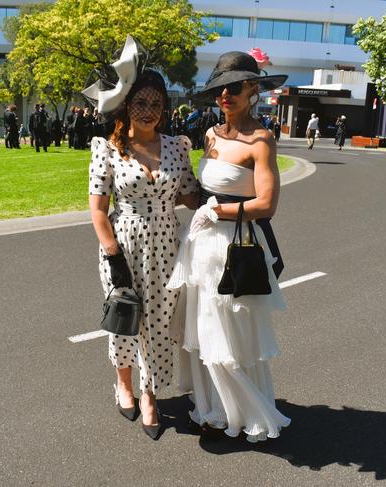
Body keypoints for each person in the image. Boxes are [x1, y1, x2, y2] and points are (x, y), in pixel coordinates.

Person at [167, 51, 291, 442]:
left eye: (235, 87)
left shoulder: (261, 140)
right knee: (203, 330)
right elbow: (202, 188)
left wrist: (217, 211)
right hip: (200, 246)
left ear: (253, 90)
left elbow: (266, 204)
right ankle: (210, 408)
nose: (226, 95)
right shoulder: (211, 134)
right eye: (221, 88)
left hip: (234, 247)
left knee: (229, 334)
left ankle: (236, 411)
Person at [84, 35, 199, 440]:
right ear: (126, 104)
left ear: (165, 108)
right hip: (123, 245)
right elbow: (98, 210)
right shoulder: (108, 148)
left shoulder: (177, 147)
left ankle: (151, 393)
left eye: (156, 103)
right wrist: (113, 254)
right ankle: (125, 385)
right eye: (141, 102)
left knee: (161, 322)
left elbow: (190, 195)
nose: (149, 111)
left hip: (167, 245)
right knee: (125, 317)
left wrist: (230, 183)